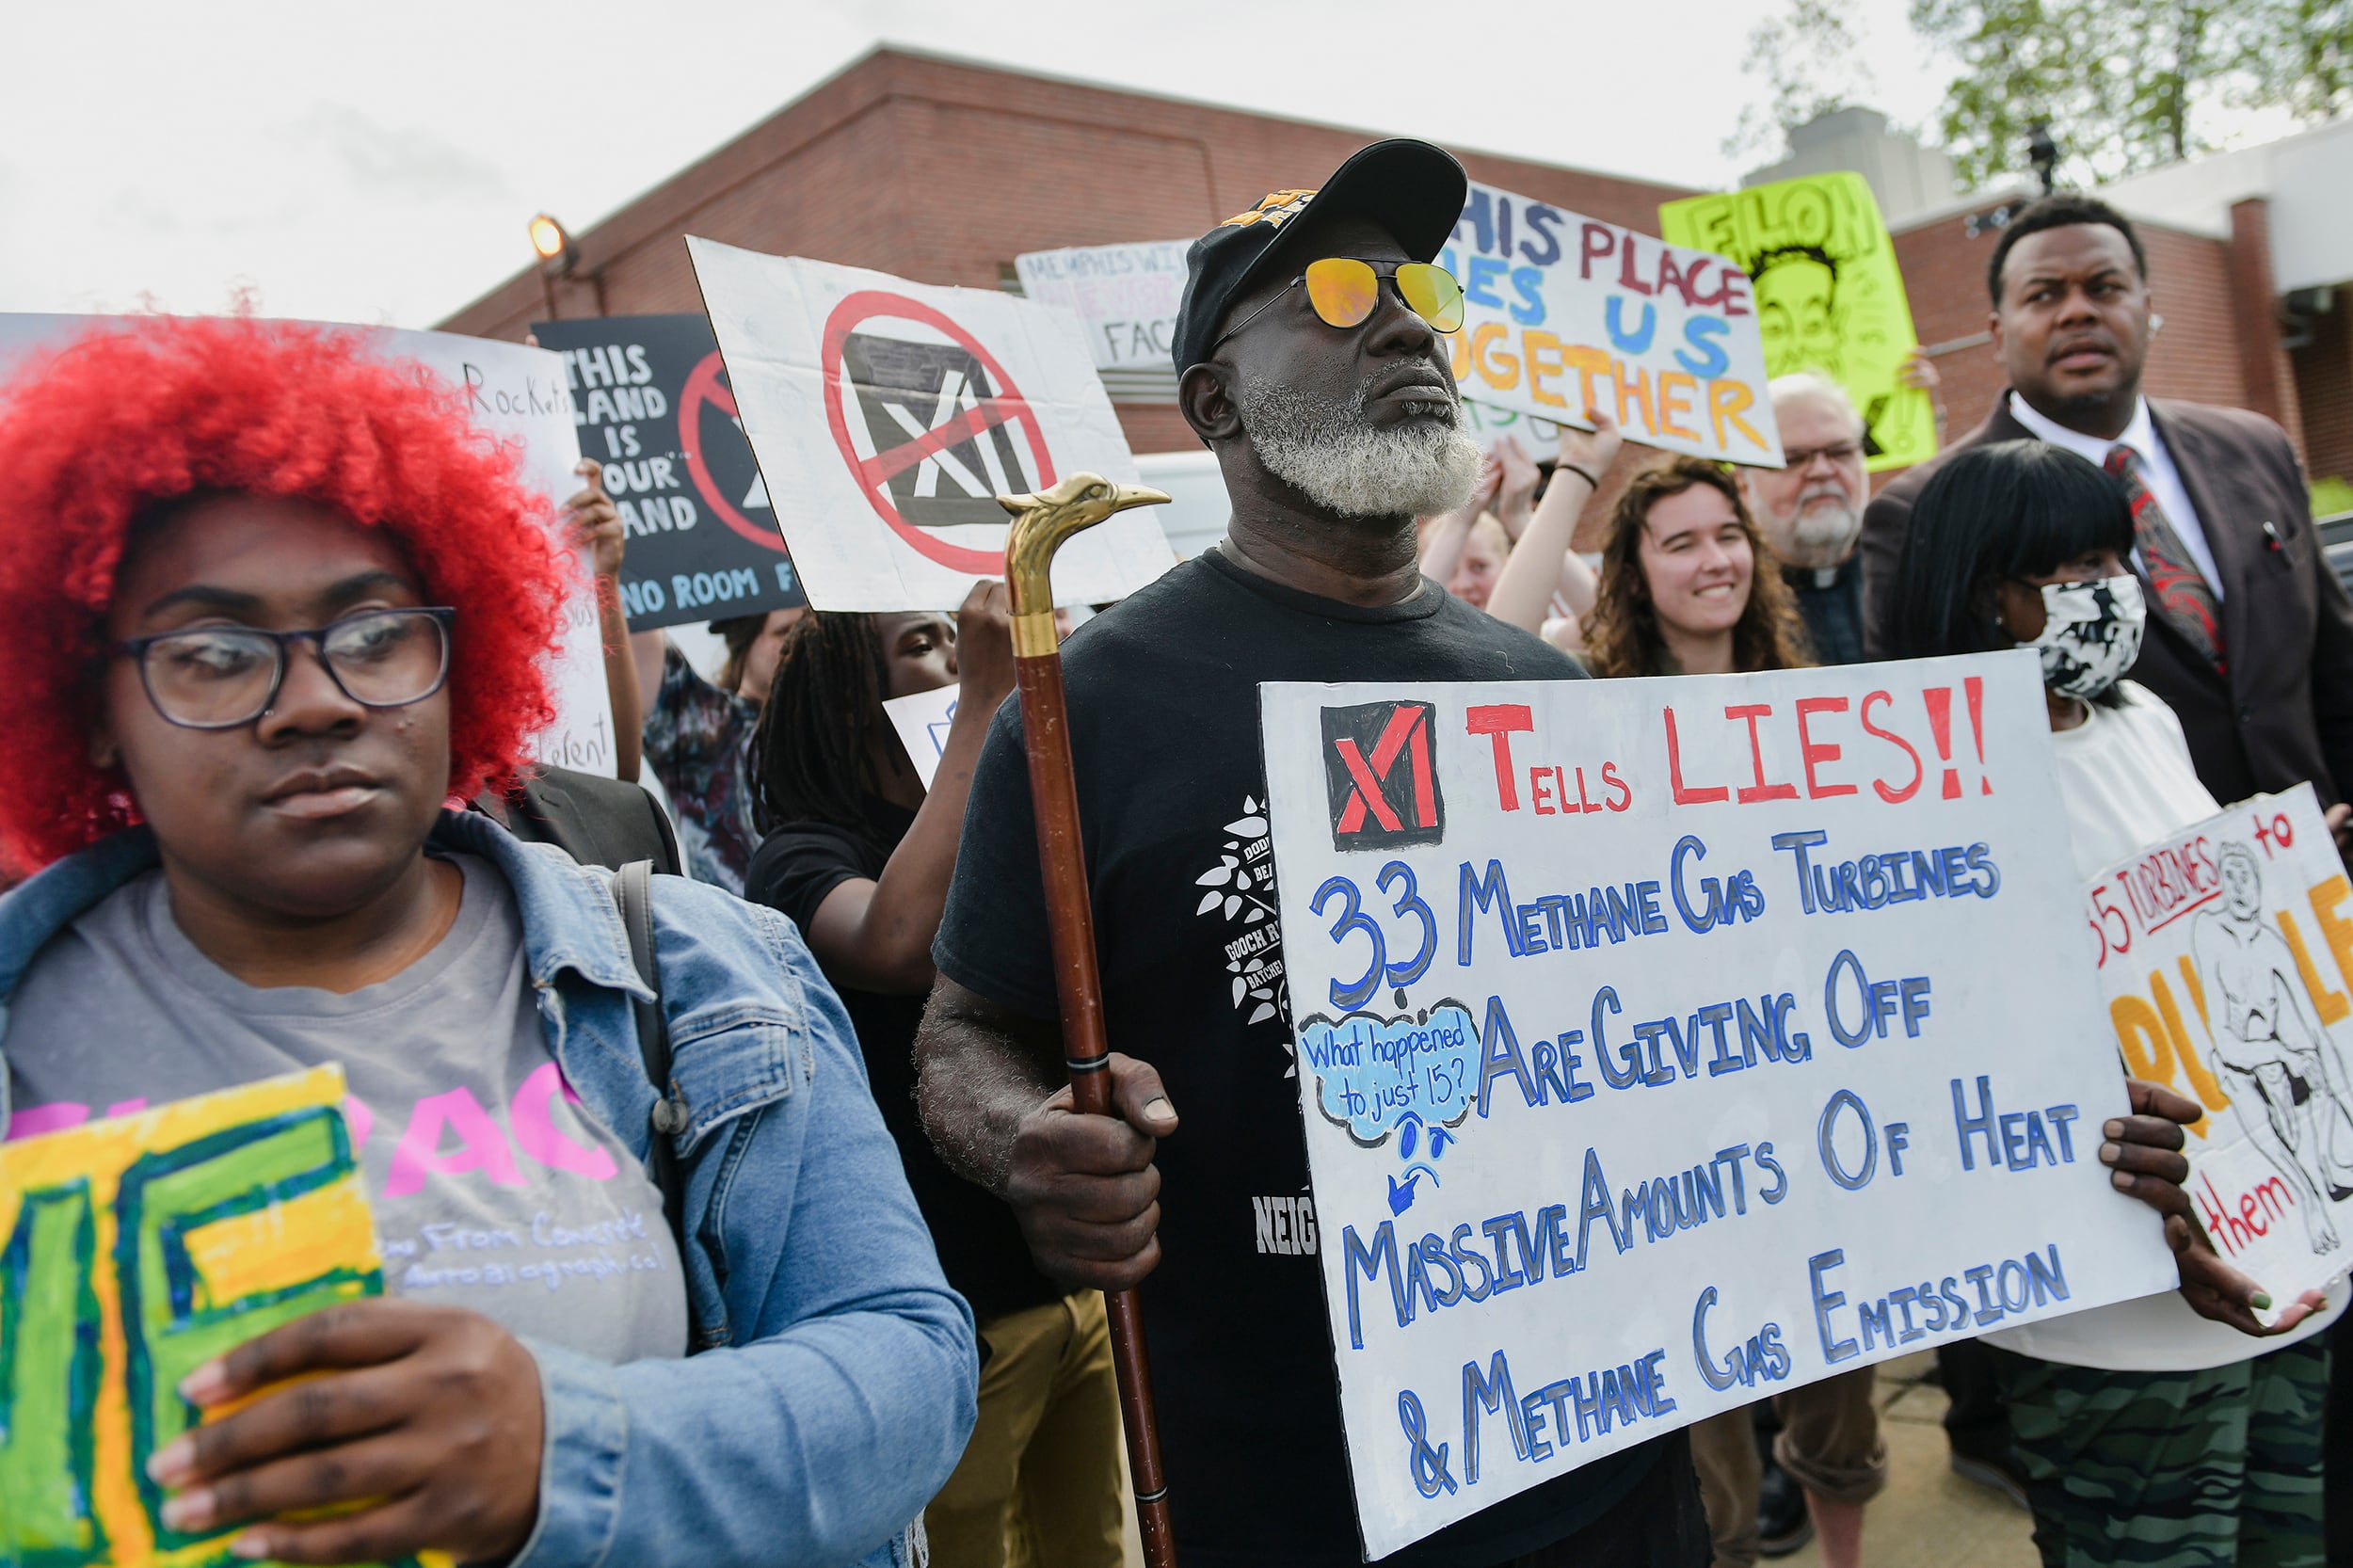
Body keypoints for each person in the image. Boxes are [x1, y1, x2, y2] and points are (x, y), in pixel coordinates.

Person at [0, 315, 975, 1568]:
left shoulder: (703, 975)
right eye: (212, 653)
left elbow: (906, 1365)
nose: (314, 701)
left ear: (465, 659)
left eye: (373, 634)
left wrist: (563, 1454)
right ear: (90, 704)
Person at [916, 138, 1719, 1568]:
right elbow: (970, 1031)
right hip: (1286, 1489)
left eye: (1416, 286)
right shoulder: (1089, 701)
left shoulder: (1540, 691)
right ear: (1215, 398)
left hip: (1601, 1456)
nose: (1406, 320)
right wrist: (1029, 1141)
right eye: (1340, 295)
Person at [1888, 437, 2342, 1567]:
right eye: (2068, 569)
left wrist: (2290, 882)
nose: (2110, 594)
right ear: (1980, 589)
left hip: (2280, 1263)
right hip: (2116, 1321)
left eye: (2114, 559)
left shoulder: (2142, 722)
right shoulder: (1920, 784)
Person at [744, 588, 1127, 1568]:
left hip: (1061, 1291)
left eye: (967, 648)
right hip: (954, 1321)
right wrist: (988, 699)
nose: (959, 660)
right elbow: (898, 942)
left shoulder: (1010, 830)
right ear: (846, 704)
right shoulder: (801, 855)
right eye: (927, 646)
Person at [1579, 457, 1881, 1568]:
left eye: (1725, 536)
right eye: (1678, 542)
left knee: (1837, 1352)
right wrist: (1569, 464)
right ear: (1632, 569)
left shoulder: (1810, 703)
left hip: (1813, 1081)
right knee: (1707, 1378)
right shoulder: (1588, 712)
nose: (1712, 560)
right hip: (1672, 1101)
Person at [1860, 192, 2353, 834]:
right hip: (2112, 902)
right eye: (2043, 296)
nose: (2077, 312)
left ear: (2148, 310)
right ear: (1997, 332)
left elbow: (2334, 669)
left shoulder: (2254, 447)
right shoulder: (1922, 510)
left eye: (2104, 287)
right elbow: (1929, 761)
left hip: (2322, 883)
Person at [1579, 456, 1811, 680]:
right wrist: (1577, 469)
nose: (1718, 562)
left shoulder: (1798, 690)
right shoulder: (1598, 689)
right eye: (1683, 546)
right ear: (1634, 578)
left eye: (1728, 536)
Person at [630, 606, 801, 892]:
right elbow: (635, 610)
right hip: (739, 930)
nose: (802, 641)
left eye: (810, 628)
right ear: (744, 638)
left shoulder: (848, 734)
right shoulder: (703, 727)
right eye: (785, 632)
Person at [1738, 375, 1871, 667]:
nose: (1822, 471)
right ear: (1743, 483)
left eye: (1840, 452)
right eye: (1794, 459)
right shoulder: (1729, 607)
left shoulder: (1909, 575)